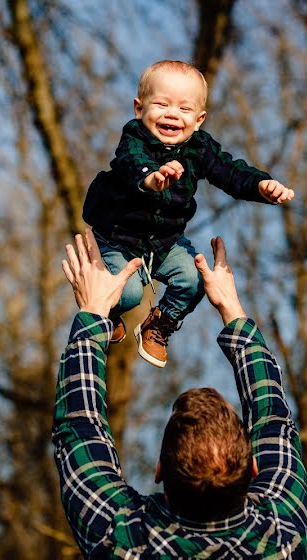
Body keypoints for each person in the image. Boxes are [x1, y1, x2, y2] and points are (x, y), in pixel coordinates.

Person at [55, 228, 307, 560]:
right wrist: (232, 309)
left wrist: (94, 312)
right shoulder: (283, 543)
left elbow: (80, 433)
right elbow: (273, 421)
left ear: (160, 469)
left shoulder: (121, 544)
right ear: (255, 468)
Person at [83, 60, 294, 368]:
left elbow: (229, 171)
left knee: (195, 281)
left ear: (199, 119)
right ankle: (112, 312)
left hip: (165, 242)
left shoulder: (199, 147)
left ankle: (158, 325)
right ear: (139, 109)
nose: (172, 114)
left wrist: (260, 185)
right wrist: (151, 178)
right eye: (161, 104)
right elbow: (131, 162)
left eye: (184, 109)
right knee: (126, 295)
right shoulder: (134, 137)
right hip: (119, 237)